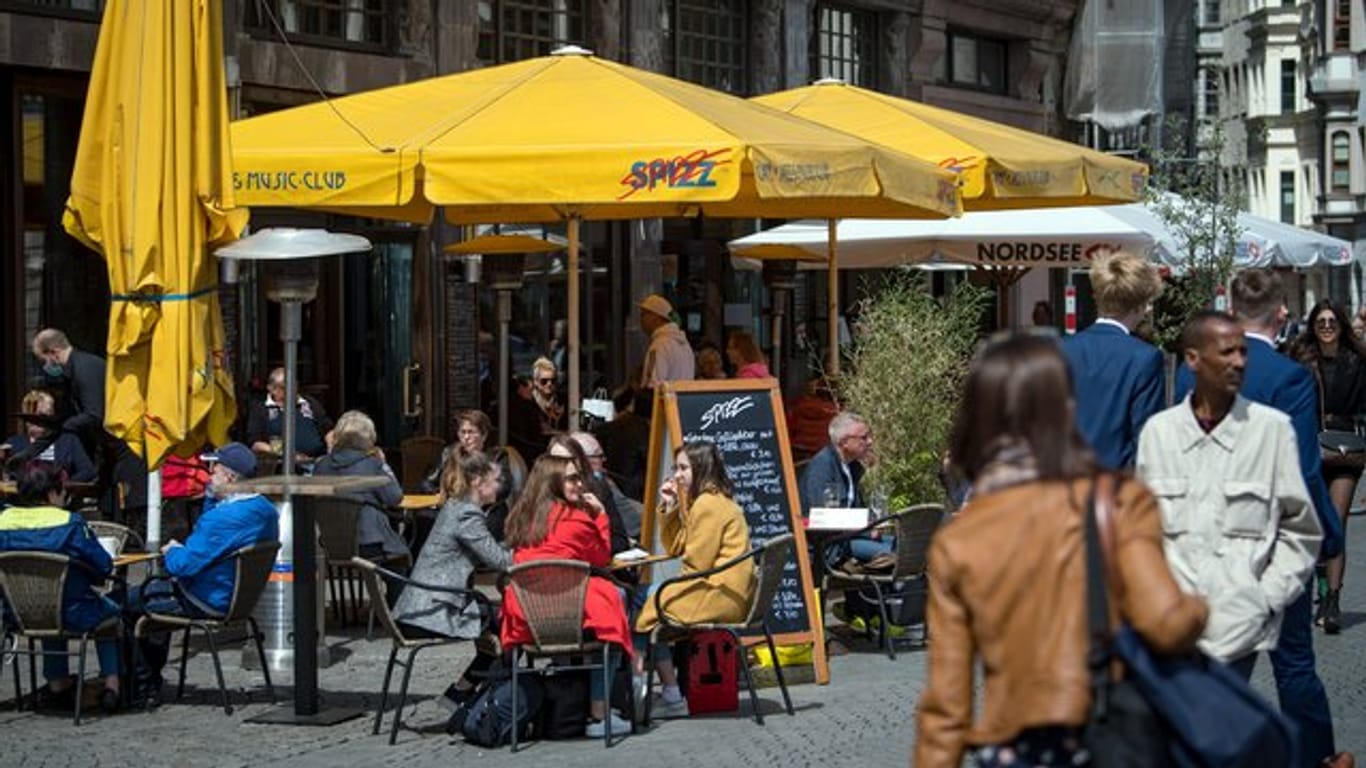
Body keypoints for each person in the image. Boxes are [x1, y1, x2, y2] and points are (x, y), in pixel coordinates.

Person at [915, 334, 1208, 768]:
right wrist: (1199, 606)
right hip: (1103, 735)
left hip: (1013, 746)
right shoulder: (1119, 503)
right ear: (1064, 406)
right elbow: (1167, 624)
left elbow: (947, 705)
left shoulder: (960, 541)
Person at [1174, 271, 1345, 768]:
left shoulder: (1192, 373)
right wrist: (1329, 537)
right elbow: (1303, 472)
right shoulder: (1290, 378)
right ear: (1282, 314)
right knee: (1293, 664)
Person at [1137, 311, 1321, 665]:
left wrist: (1264, 597)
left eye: (1242, 352)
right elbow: (1141, 530)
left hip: (1239, 628)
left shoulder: (1272, 431)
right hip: (1173, 628)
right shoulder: (1159, 434)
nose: (1238, 362)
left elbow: (1300, 529)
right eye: (1226, 353)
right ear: (1193, 359)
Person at [124, 443, 278, 706]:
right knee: (154, 600)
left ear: (229, 477)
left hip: (204, 597)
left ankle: (138, 685)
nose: (208, 475)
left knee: (124, 602)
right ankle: (147, 681)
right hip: (235, 596)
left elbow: (181, 566)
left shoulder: (225, 519)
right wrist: (211, 497)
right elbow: (205, 537)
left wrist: (171, 550)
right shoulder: (264, 510)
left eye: (213, 469)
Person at [500, 455, 633, 738]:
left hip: (529, 618)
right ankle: (599, 714)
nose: (580, 483)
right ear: (554, 483)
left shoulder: (521, 519)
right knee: (615, 607)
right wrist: (600, 516)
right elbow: (601, 557)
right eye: (572, 478)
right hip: (569, 613)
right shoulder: (576, 519)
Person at [634, 441, 754, 718]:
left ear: (701, 469)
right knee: (643, 600)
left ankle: (641, 688)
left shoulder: (708, 505)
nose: (676, 474)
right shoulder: (708, 501)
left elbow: (696, 564)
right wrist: (671, 505)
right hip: (726, 592)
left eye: (683, 468)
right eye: (676, 467)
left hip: (718, 595)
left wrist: (672, 590)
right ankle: (666, 690)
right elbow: (676, 546)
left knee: (638, 602)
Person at [391, 450, 510, 721]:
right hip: (431, 612)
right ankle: (486, 705)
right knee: (511, 625)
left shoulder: (456, 506)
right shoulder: (468, 514)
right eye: (495, 479)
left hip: (419, 606)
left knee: (498, 622)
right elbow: (500, 560)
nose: (499, 485)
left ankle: (461, 694)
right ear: (478, 482)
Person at [0, 461, 122, 713]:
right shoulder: (70, 523)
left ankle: (57, 682)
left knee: (45, 605)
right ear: (53, 492)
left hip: (18, 614)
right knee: (112, 612)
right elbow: (103, 565)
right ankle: (112, 684)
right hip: (73, 611)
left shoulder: (3, 521)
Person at [1290, 300, 1366, 634]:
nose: (1326, 326)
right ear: (1313, 326)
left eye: (1332, 321)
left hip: (1346, 448)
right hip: (1310, 447)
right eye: (1320, 321)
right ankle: (1320, 592)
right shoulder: (1302, 360)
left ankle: (1333, 601)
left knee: (1337, 521)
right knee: (1314, 525)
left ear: (1341, 325)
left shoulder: (1359, 360)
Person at [1061, 250, 1165, 470]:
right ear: (1139, 305)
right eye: (1147, 302)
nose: (1149, 308)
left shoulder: (1061, 349)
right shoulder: (1144, 358)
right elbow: (1146, 437)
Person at [31, 328, 146, 512]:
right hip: (110, 455)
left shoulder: (85, 368)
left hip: (128, 450)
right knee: (109, 507)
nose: (44, 367)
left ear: (53, 352)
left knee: (130, 510)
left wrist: (64, 427)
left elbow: (94, 414)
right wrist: (29, 453)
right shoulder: (73, 373)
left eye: (42, 361)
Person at [310, 410, 408, 562]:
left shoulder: (321, 465)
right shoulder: (372, 464)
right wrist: (384, 464)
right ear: (368, 438)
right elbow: (395, 498)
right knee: (401, 560)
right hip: (369, 543)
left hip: (332, 544)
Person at [3, 390, 96, 482]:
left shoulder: (69, 440)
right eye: (29, 415)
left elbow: (88, 471)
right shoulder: (13, 444)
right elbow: (8, 474)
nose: (34, 420)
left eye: (41, 415)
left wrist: (63, 486)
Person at [244, 367, 334, 462]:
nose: (292, 390)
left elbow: (328, 429)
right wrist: (286, 455)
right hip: (281, 464)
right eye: (284, 387)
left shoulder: (309, 403)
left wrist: (331, 449)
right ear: (271, 389)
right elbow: (256, 443)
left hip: (315, 461)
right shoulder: (261, 409)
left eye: (294, 385)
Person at [592, 385, 650, 502]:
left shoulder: (606, 429)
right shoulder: (644, 431)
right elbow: (652, 463)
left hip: (608, 491)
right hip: (635, 495)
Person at [506, 357, 564, 464]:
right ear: (535, 382)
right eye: (544, 381)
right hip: (537, 450)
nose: (549, 384)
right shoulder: (529, 402)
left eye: (553, 380)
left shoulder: (563, 399)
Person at [638, 294, 694, 387]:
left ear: (655, 317)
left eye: (643, 315)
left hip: (665, 401)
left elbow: (652, 386)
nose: (641, 320)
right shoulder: (685, 345)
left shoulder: (659, 346)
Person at [785, 376, 839, 462]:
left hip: (798, 450)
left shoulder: (799, 406)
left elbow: (788, 429)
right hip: (822, 451)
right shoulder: (835, 412)